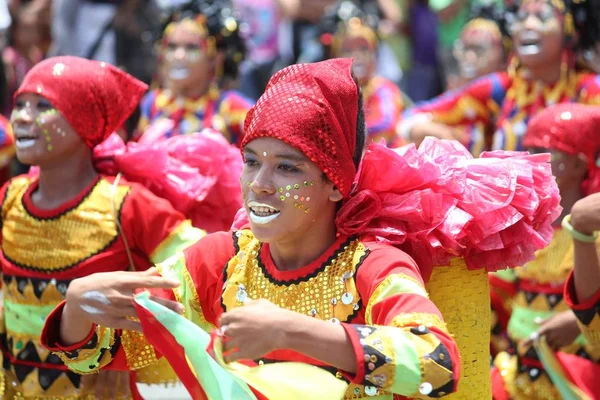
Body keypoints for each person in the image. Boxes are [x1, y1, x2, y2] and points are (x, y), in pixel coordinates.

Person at [41, 58, 558, 399]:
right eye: (252, 161)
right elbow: (100, 354)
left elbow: (439, 363)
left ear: (336, 182)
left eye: (288, 167)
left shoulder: (372, 266)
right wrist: (77, 308)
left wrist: (294, 333)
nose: (261, 185)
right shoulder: (219, 259)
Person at [1, 56, 204, 399]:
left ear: (83, 120)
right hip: (15, 383)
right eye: (20, 104)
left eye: (42, 106)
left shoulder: (127, 203)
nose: (21, 116)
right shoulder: (10, 196)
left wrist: (126, 352)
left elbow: (200, 271)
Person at [491, 103, 600, 400]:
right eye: (530, 152)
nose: (534, 164)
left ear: (578, 164)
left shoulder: (594, 234)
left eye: (548, 155)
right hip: (514, 374)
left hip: (577, 380)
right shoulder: (518, 227)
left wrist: (578, 322)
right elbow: (497, 298)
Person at [399, 0, 600, 157]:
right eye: (521, 17)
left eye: (542, 17)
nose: (527, 25)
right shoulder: (502, 88)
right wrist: (440, 135)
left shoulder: (589, 89)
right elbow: (413, 116)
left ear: (570, 32)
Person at [136, 0, 253, 146]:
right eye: (171, 46)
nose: (178, 56)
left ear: (214, 58)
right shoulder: (152, 103)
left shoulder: (232, 107)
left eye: (191, 48)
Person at [320, 1, 406, 147]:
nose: (357, 56)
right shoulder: (329, 94)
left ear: (375, 54)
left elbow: (385, 123)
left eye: (364, 49)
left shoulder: (384, 88)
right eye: (348, 50)